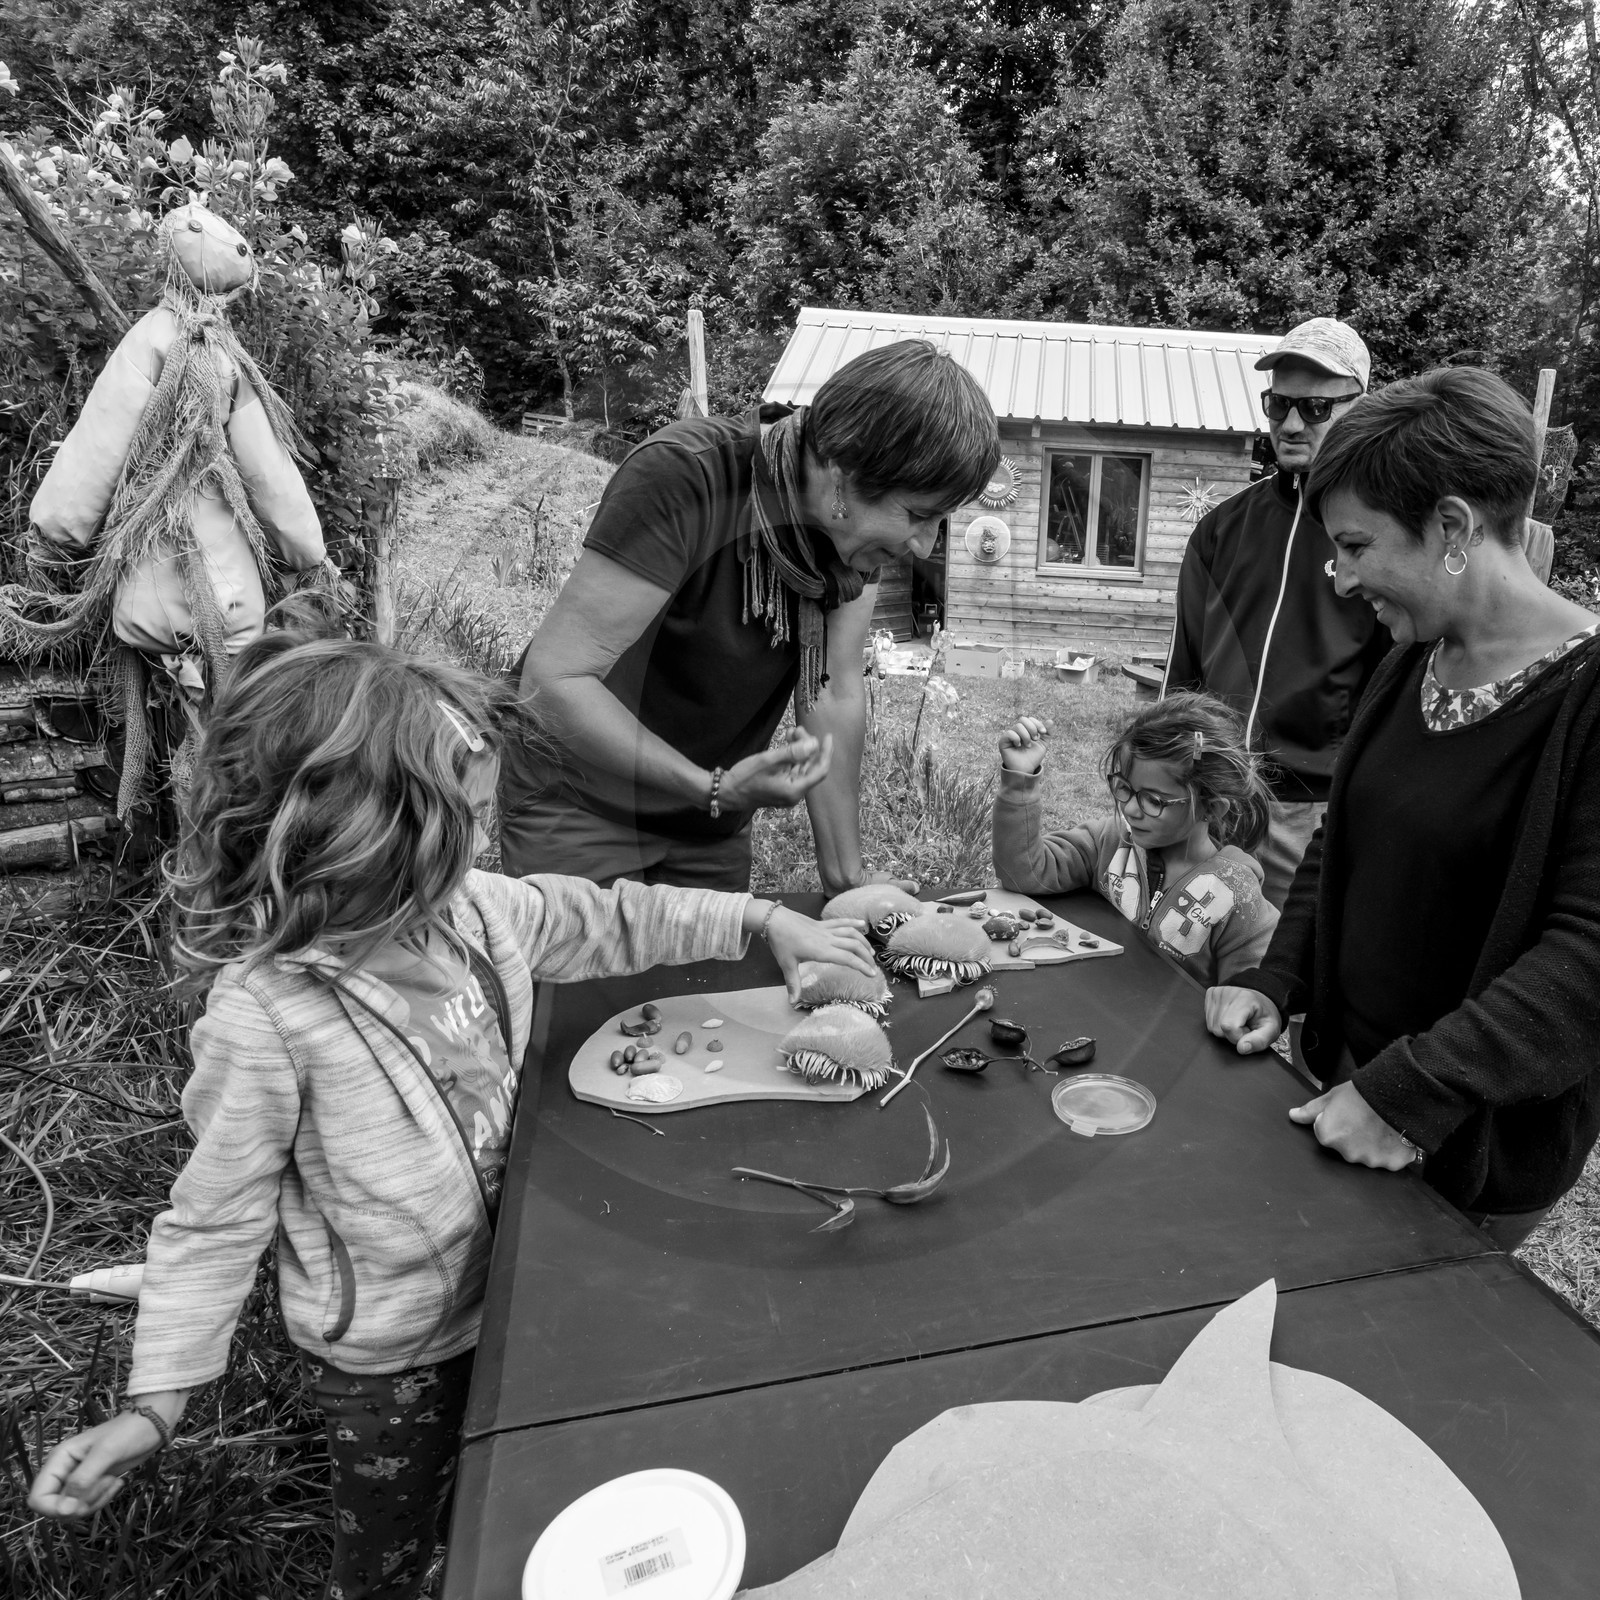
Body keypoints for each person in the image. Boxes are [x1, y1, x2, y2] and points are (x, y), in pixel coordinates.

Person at [25, 612, 878, 1598]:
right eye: (462, 825)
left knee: (512, 1477)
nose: (485, 845)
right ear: (366, 840)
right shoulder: (267, 1022)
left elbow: (605, 914)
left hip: (516, 1279)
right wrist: (156, 1403)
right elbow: (212, 1220)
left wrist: (761, 918)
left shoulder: (472, 910)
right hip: (393, 1356)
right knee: (396, 1539)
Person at [1205, 368, 1600, 1252]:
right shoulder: (1412, 659)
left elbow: (1587, 961)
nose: (1340, 580)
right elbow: (1343, 843)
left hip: (1464, 1142)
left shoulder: (1588, 700)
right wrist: (1280, 980)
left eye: (1355, 547)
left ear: (1453, 528)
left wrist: (1410, 1094)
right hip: (1348, 1093)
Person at [501, 339, 1001, 894]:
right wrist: (707, 786)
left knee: (716, 983)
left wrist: (846, 878)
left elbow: (832, 693)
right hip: (579, 807)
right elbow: (555, 681)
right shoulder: (685, 476)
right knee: (604, 980)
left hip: (708, 824)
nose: (926, 545)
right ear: (843, 475)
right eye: (917, 515)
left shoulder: (850, 544)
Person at [1164, 317, 1390, 908]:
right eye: (1279, 403)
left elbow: (1399, 679)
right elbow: (1181, 671)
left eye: (1315, 408)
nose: (1291, 424)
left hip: (1314, 812)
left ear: (1358, 409)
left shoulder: (1382, 536)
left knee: (1289, 977)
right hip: (1214, 798)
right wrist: (1170, 774)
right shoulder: (1219, 530)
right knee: (1188, 959)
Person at [993, 692, 1278, 986]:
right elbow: (1023, 873)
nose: (1129, 809)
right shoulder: (1107, 842)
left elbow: (1250, 995)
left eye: (1153, 801)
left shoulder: (1238, 896)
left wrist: (1250, 996)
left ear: (1211, 808)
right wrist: (1020, 782)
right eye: (1124, 788)